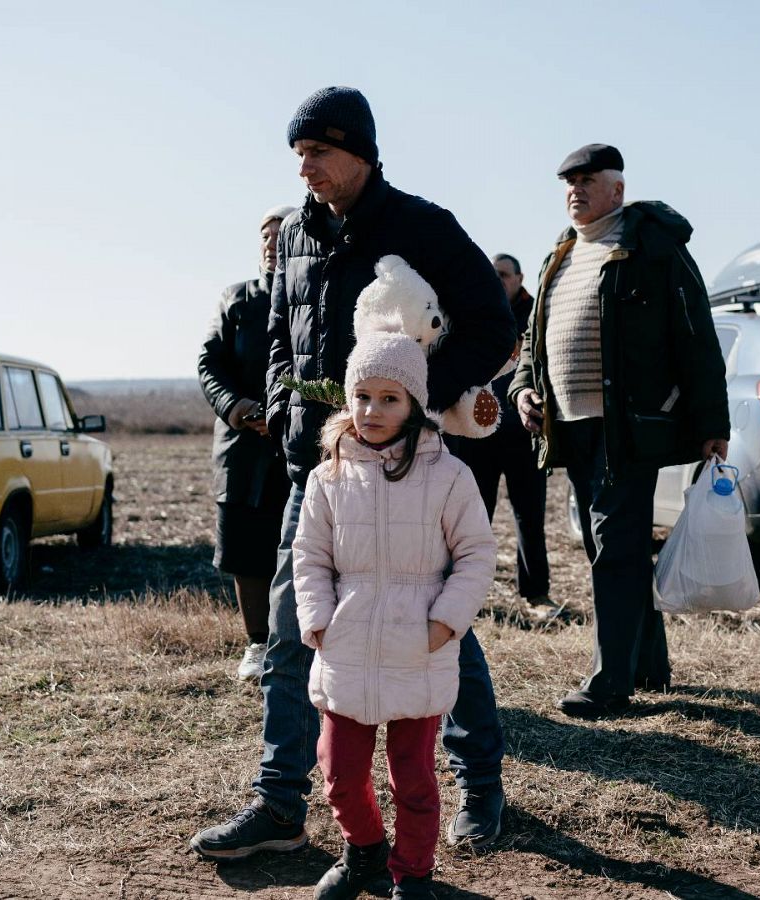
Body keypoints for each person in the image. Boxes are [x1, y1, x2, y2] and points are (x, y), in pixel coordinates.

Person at [190, 86, 516, 861]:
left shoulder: (423, 228)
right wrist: (280, 402)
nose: (307, 169)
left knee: (440, 633)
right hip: (319, 466)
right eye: (298, 155)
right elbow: (279, 332)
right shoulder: (297, 235)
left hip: (411, 470)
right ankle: (278, 806)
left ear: (362, 153)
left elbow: (494, 327)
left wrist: (418, 401)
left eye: (319, 153)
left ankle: (482, 785)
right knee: (293, 635)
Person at [509, 144, 731, 720]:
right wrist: (524, 389)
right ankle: (649, 666)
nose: (575, 190)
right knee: (611, 546)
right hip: (571, 428)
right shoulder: (558, 254)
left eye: (587, 180)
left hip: (628, 428)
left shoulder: (652, 246)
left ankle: (611, 682)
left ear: (617, 189)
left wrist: (712, 424)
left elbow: (696, 335)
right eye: (569, 181)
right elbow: (535, 338)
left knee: (614, 549)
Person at [295, 330, 495, 900]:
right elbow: (308, 555)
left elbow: (477, 554)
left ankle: (413, 873)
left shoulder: (448, 475)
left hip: (419, 647)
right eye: (362, 396)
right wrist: (319, 619)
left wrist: (445, 622)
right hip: (347, 645)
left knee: (413, 777)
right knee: (338, 774)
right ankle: (364, 855)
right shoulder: (327, 477)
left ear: (413, 403)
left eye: (390, 398)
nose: (372, 410)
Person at [198, 205, 297, 680]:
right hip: (242, 447)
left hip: (300, 443)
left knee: (304, 547)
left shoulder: (313, 293)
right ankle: (258, 644)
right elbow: (209, 365)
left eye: (282, 233)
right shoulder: (237, 298)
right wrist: (240, 409)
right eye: (265, 235)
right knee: (248, 551)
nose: (272, 242)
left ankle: (301, 644)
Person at [449, 254, 556, 621]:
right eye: (493, 275)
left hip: (525, 433)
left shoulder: (537, 312)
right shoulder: (475, 309)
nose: (498, 281)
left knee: (530, 516)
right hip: (481, 433)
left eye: (504, 275)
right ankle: (470, 593)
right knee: (477, 517)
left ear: (519, 278)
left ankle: (536, 592)